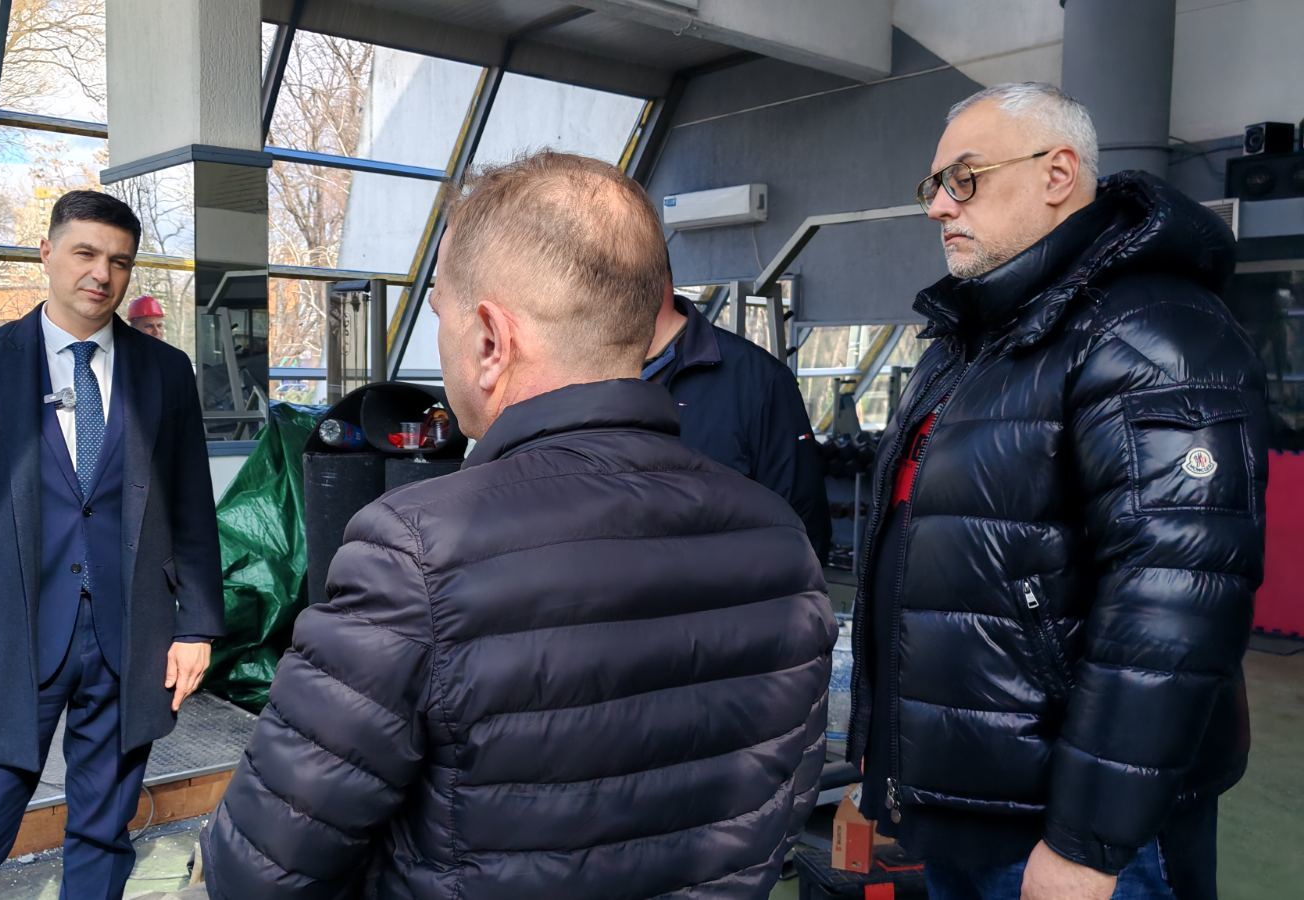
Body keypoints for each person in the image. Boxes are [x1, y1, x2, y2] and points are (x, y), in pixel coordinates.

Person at [199, 151, 835, 899]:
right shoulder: (780, 543)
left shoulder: (414, 552)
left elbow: (259, 870)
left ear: (491, 341)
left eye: (440, 315)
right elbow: (785, 801)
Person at [850, 82, 1266, 900]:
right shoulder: (974, 340)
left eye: (964, 178)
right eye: (934, 184)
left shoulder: (1150, 332)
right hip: (969, 806)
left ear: (1057, 173)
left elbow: (1172, 605)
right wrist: (888, 759)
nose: (938, 205)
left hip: (1073, 833)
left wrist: (1088, 843)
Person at [0, 190, 224, 899]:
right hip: (6, 638)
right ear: (46, 253)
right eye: (85, 253)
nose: (101, 274)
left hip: (129, 637)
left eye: (119, 261)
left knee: (104, 838)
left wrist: (196, 625)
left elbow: (191, 507)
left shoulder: (165, 371)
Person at [645, 279, 832, 559]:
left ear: (655, 277)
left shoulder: (759, 381)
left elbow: (801, 531)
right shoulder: (587, 373)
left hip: (715, 584)